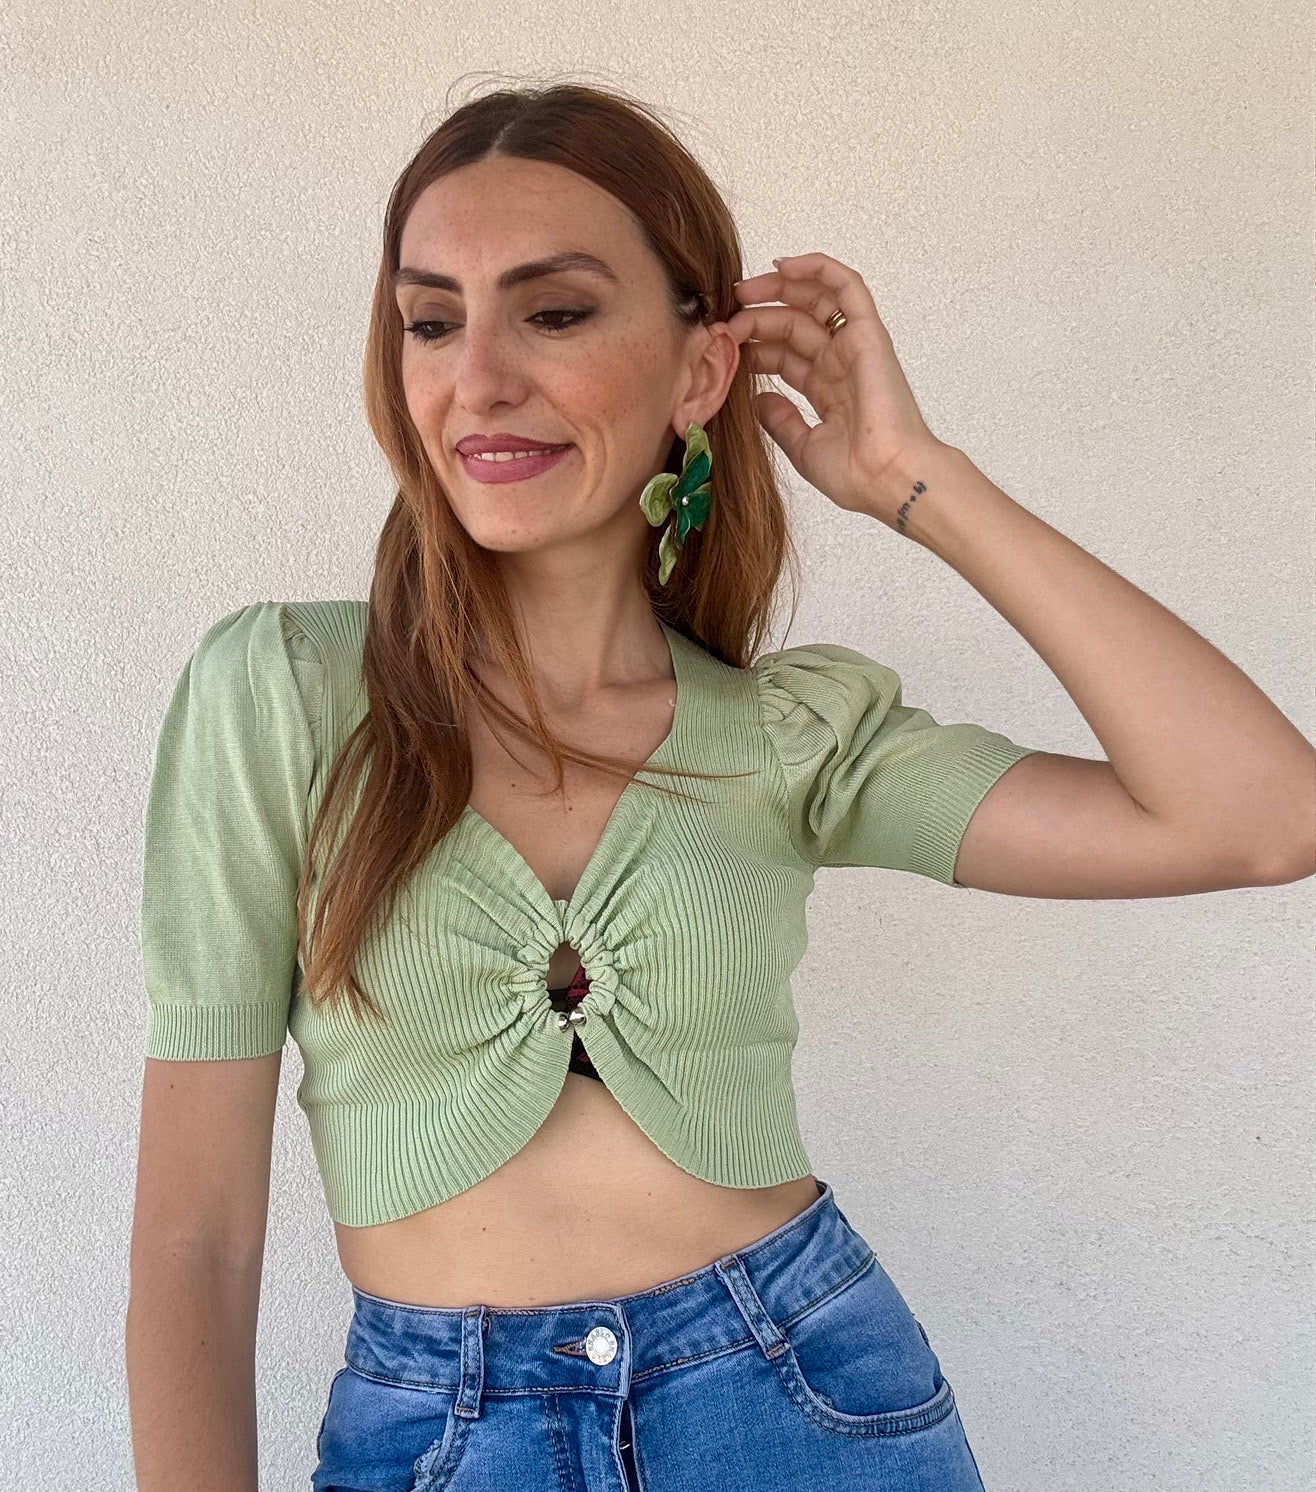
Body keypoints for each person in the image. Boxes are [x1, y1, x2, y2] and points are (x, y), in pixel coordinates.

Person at [125, 83, 1315, 1492]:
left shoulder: (793, 736)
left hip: (805, 1400)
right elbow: (197, 1239)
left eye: (553, 312)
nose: (478, 378)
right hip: (442, 1432)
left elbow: (1258, 817)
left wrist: (916, 478)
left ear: (701, 372)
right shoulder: (281, 694)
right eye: (431, 322)